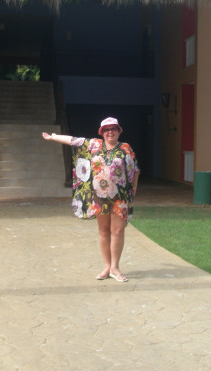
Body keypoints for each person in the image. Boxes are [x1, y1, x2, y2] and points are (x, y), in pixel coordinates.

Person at [42, 117, 140, 282]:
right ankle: (107, 266)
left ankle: (115, 268)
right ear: (102, 132)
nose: (110, 132)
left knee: (117, 231)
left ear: (119, 131)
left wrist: (133, 190)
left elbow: (135, 170)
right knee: (103, 231)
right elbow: (73, 141)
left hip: (120, 197)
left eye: (113, 128)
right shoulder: (94, 145)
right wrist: (53, 137)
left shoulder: (126, 148)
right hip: (99, 197)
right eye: (106, 129)